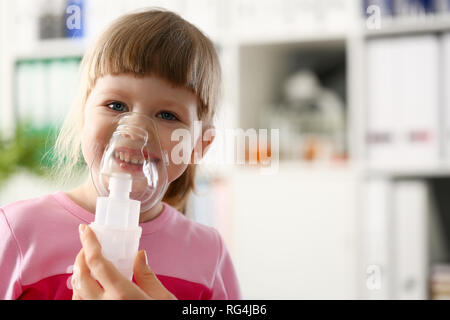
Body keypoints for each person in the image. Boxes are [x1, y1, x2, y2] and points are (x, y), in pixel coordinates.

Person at [0, 8, 241, 300]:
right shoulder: (19, 233)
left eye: (167, 114)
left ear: (200, 144)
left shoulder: (207, 254)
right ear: (82, 114)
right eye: (116, 105)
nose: (135, 130)